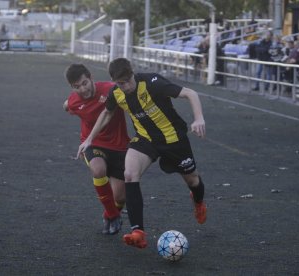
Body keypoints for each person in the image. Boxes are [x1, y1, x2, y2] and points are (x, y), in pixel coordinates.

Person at [78, 58, 207, 249]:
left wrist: (198, 119)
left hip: (174, 140)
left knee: (193, 181)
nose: (127, 85)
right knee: (129, 174)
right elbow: (107, 113)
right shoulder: (117, 93)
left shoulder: (152, 83)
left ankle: (198, 202)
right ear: (115, 82)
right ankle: (138, 231)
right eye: (121, 83)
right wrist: (89, 139)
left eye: (129, 80)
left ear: (132, 73)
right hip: (146, 140)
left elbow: (190, 93)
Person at [63, 64, 129, 235]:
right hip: (92, 143)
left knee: (120, 197)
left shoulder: (111, 89)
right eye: (77, 87)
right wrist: (67, 104)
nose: (82, 89)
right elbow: (67, 105)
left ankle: (109, 214)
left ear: (91, 77)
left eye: (84, 83)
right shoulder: (74, 101)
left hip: (120, 146)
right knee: (98, 170)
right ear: (72, 87)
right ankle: (114, 216)